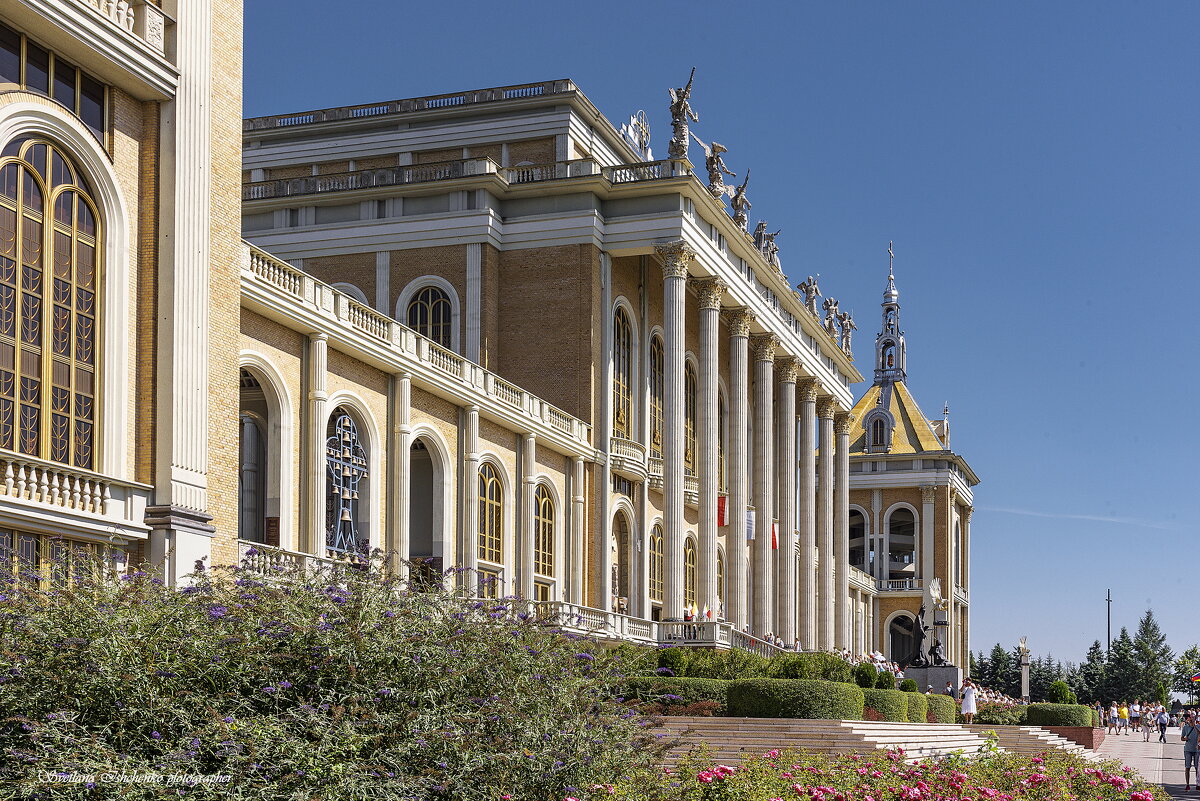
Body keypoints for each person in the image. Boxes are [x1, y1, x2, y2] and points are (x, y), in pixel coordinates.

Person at [1183, 711, 1200, 793]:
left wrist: (1195, 726)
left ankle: (1198, 784)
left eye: (1193, 718)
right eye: (1191, 718)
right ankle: (1187, 784)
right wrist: (1184, 738)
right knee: (1187, 767)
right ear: (1189, 719)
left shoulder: (1198, 726)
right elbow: (1182, 738)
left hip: (1197, 750)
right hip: (1188, 749)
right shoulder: (1185, 727)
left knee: (1197, 767)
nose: (1192, 719)